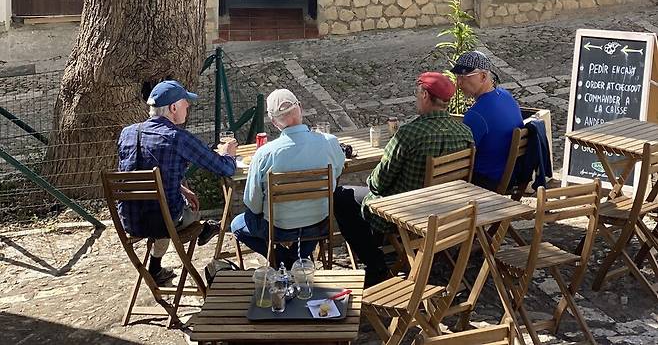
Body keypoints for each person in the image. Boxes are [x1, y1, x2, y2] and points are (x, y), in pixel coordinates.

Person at [333, 72, 474, 287]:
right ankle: (386, 252)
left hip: (407, 211)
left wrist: (371, 181)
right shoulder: (465, 132)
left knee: (342, 197)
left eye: (417, 93)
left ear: (425, 95)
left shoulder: (408, 134)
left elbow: (378, 182)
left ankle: (375, 263)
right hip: (447, 208)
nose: (417, 98)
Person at [117, 79, 238, 286]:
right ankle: (203, 228)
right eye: (185, 103)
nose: (188, 106)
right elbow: (223, 168)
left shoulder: (128, 133)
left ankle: (154, 268)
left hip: (130, 220)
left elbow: (138, 174)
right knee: (184, 208)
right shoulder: (177, 137)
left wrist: (180, 187)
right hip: (165, 221)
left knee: (168, 200)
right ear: (173, 108)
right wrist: (228, 154)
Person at [230, 89, 345, 267]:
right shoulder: (329, 142)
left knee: (238, 225)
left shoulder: (265, 153)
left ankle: (282, 260)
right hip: (319, 224)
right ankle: (297, 261)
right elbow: (336, 175)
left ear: (274, 122)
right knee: (310, 219)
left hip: (278, 229)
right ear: (300, 108)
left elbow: (252, 203)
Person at [450, 50, 524, 190]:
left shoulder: (477, 114)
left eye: (464, 77)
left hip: (485, 181)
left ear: (483, 76)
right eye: (457, 77)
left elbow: (459, 154)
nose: (458, 84)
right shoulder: (506, 96)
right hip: (510, 175)